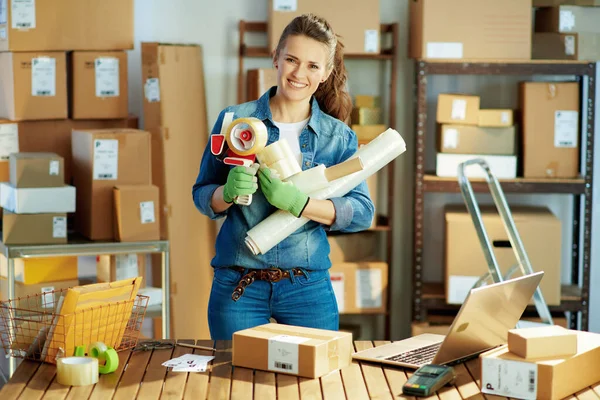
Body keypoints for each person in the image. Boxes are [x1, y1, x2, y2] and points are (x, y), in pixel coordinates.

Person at [192, 13, 374, 340]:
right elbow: (202, 195)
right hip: (239, 286)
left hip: (307, 288)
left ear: (326, 73)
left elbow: (362, 213)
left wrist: (300, 203)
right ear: (275, 58)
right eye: (291, 59)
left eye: (312, 66)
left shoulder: (338, 137)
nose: (299, 73)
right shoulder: (236, 121)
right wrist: (227, 193)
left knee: (311, 387)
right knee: (234, 386)